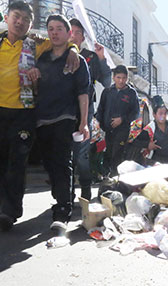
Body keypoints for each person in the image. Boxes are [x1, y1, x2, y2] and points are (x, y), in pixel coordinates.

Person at [0, 1, 79, 231]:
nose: (20, 22)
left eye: (25, 19)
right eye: (16, 16)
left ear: (30, 24)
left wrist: (73, 50)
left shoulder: (35, 45)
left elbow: (64, 42)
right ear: (7, 17)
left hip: (24, 113)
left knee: (17, 164)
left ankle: (9, 212)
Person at [26, 14, 90, 231]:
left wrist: (84, 122)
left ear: (68, 33)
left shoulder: (76, 60)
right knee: (50, 165)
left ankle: (62, 210)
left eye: (59, 29)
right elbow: (37, 91)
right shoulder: (42, 59)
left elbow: (83, 93)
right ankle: (63, 197)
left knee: (63, 162)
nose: (54, 32)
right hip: (43, 119)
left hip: (66, 117)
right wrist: (34, 80)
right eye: (51, 28)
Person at [69, 18, 111, 201]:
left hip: (85, 110)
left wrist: (101, 58)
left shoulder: (90, 56)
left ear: (83, 36)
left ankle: (85, 189)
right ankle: (66, 194)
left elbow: (107, 81)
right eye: (70, 31)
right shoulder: (57, 52)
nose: (73, 36)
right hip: (62, 109)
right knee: (65, 156)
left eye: (78, 32)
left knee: (81, 155)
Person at [96, 65, 139, 176]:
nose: (121, 80)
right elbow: (101, 109)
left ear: (127, 78)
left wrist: (122, 119)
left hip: (122, 130)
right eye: (118, 77)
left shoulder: (131, 93)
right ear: (113, 78)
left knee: (117, 153)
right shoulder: (107, 91)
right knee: (108, 153)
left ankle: (116, 178)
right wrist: (99, 124)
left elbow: (135, 113)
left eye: (124, 78)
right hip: (107, 130)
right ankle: (106, 177)